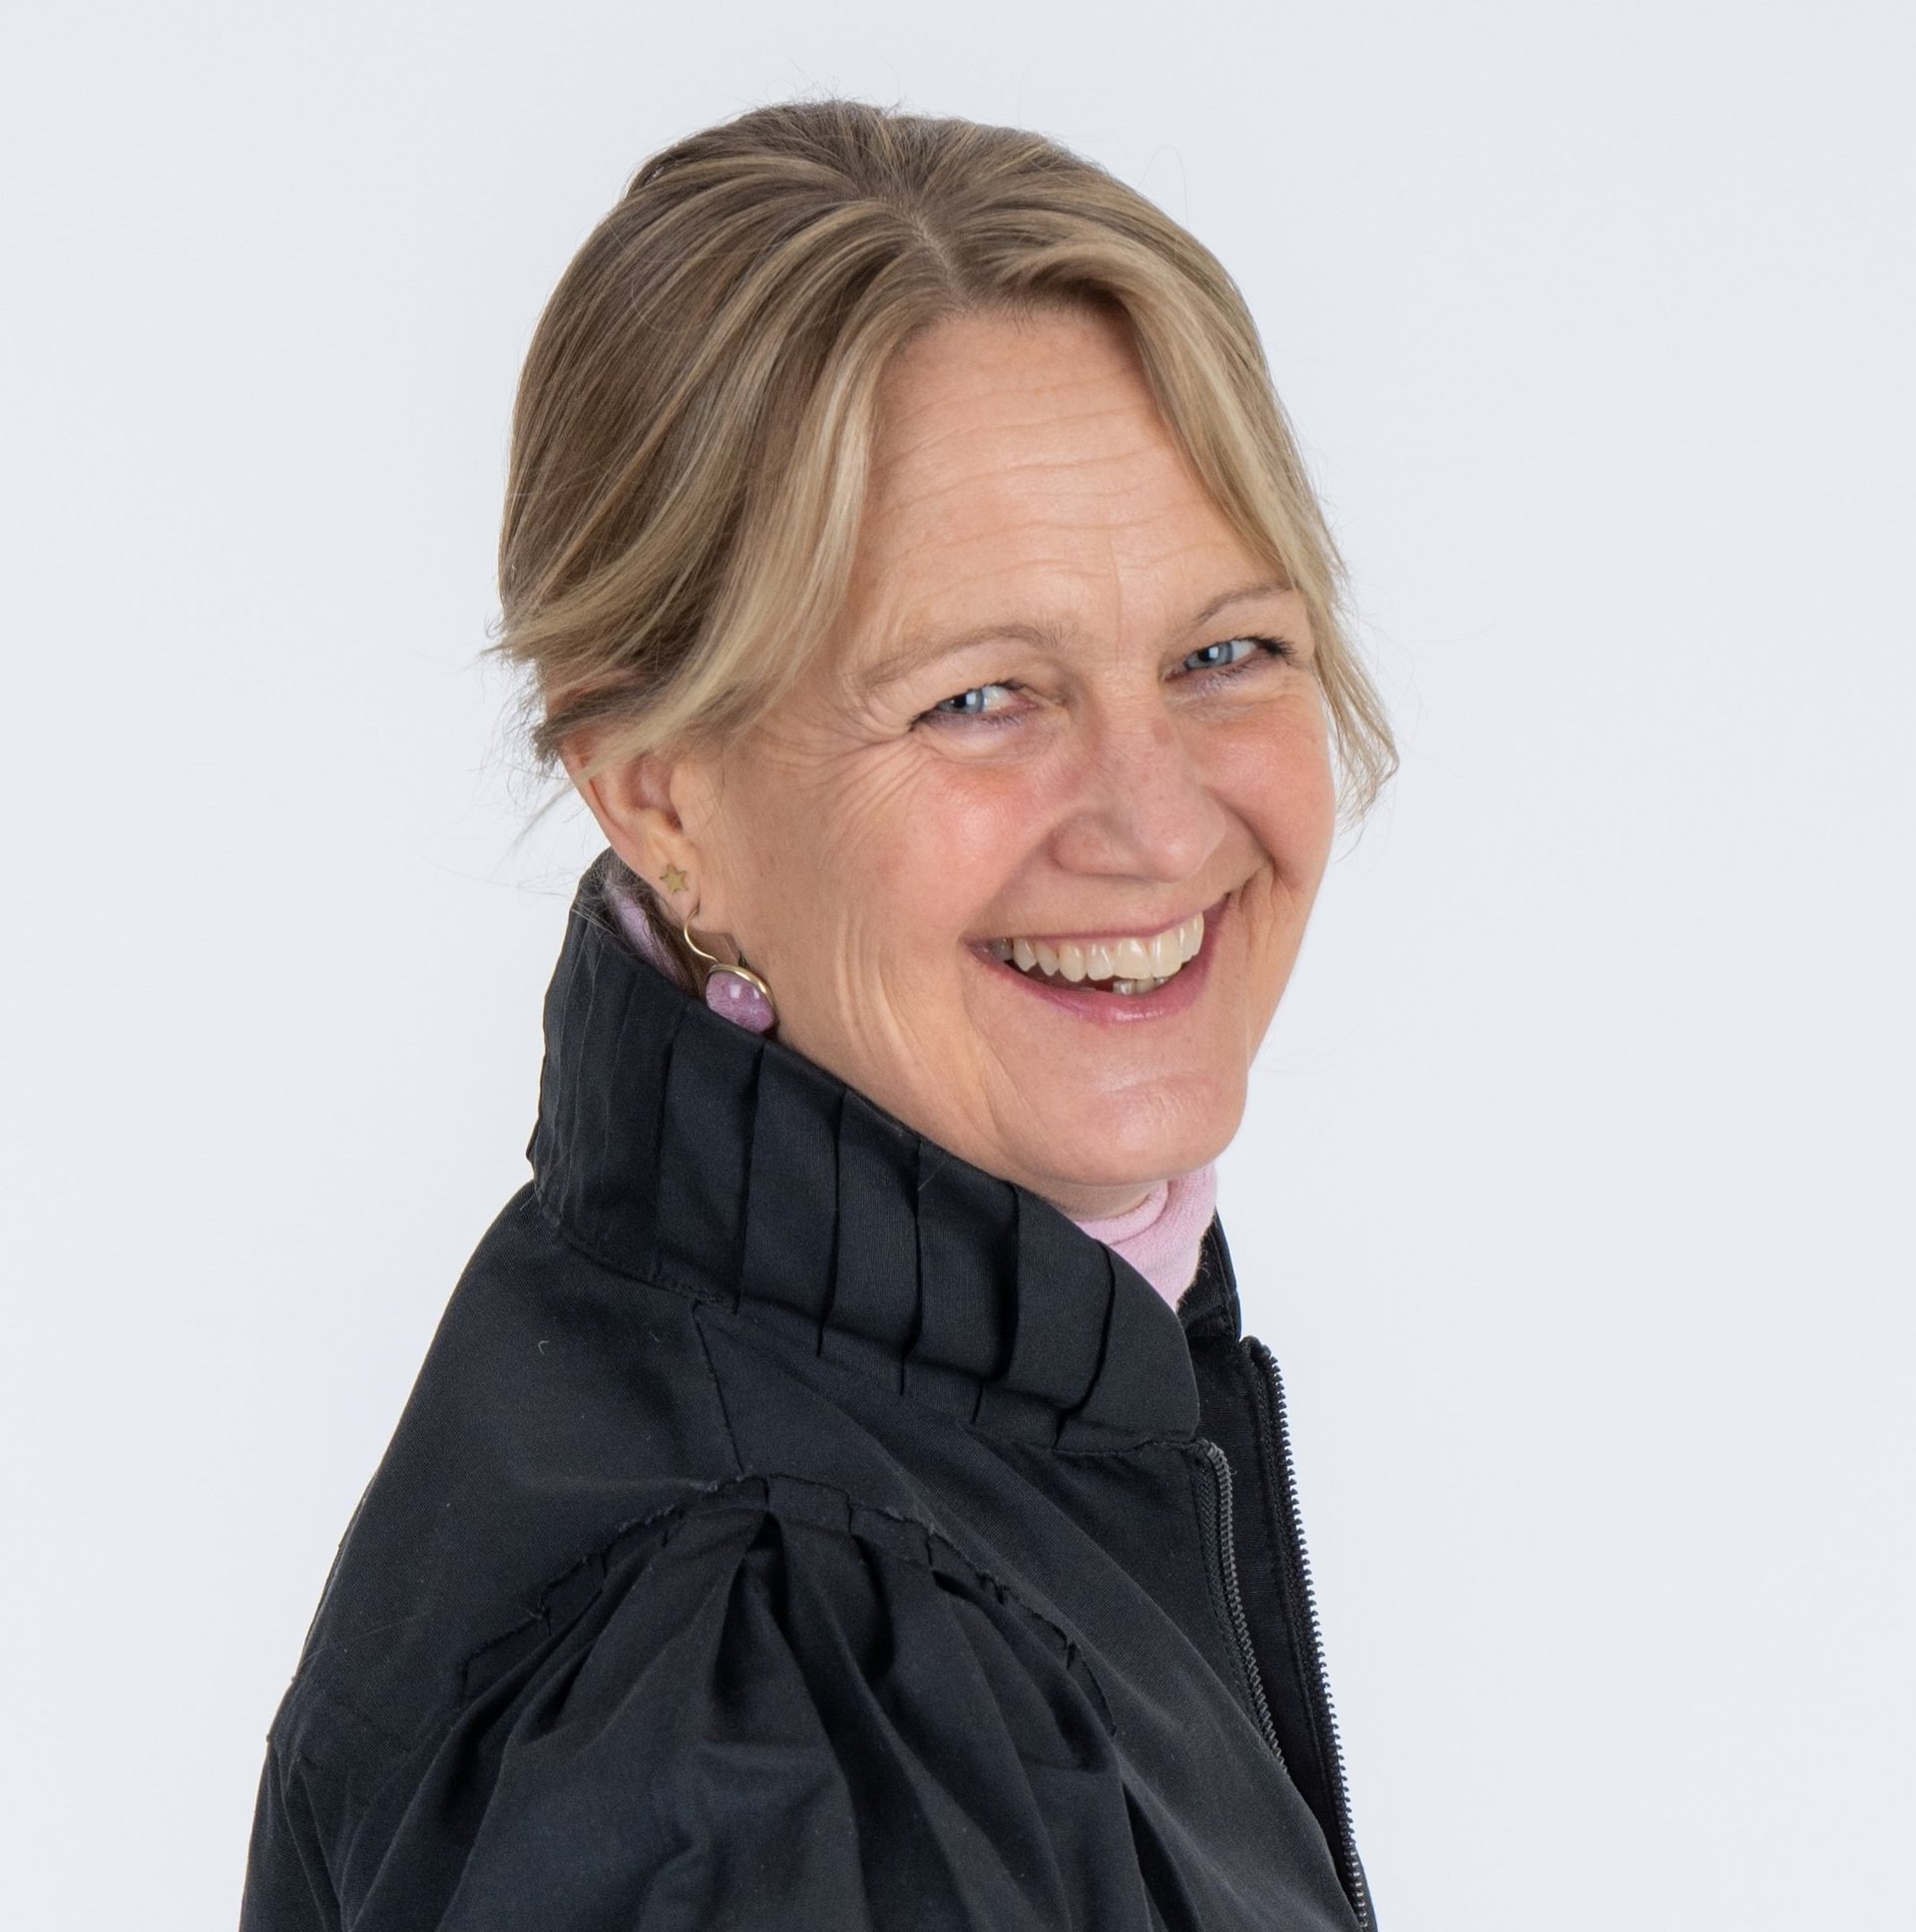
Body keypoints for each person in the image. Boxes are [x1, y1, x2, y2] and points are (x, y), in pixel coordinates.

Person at [239, 98, 1397, 1931]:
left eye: (1223, 654)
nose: (1164, 822)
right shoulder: (762, 1690)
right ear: (659, 792)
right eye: (981, 698)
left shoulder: (973, 1405)